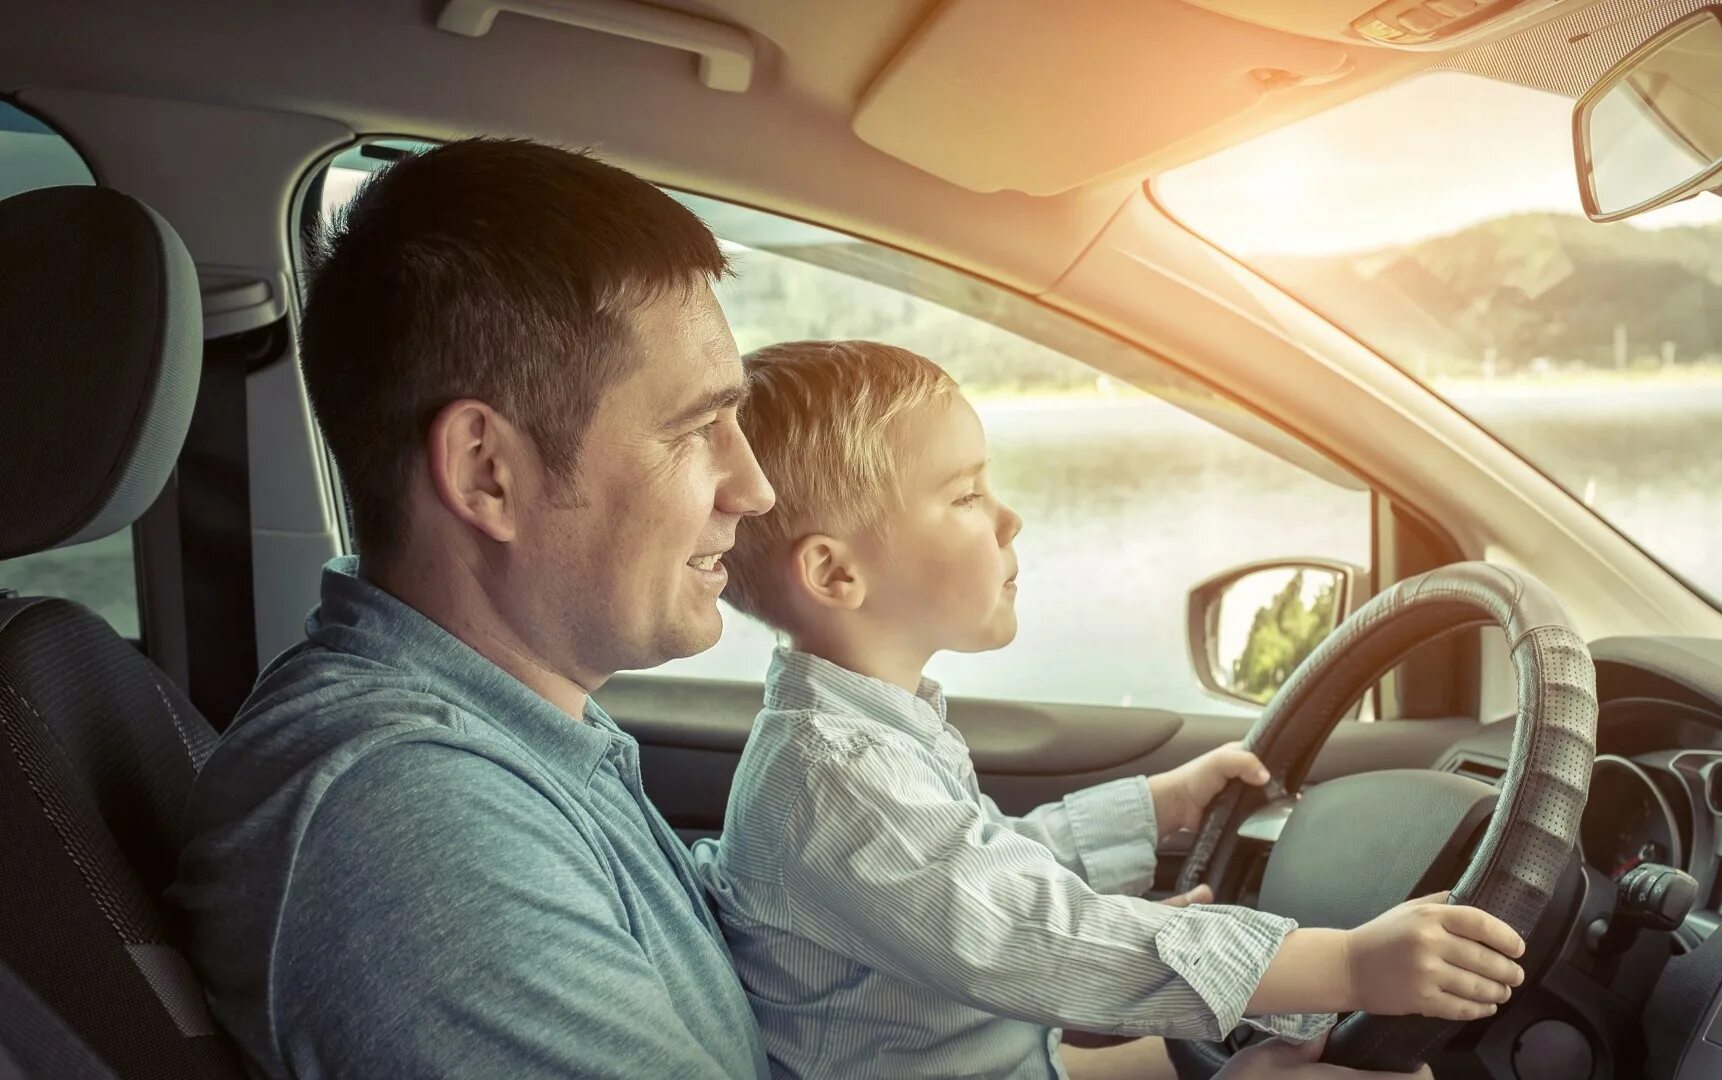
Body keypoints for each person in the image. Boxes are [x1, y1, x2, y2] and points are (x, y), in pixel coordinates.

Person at [165, 137, 1440, 1080]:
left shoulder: (519, 740)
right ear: (487, 472)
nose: (753, 486)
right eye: (695, 431)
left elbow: (791, 921)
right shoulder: (414, 831)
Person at [693, 340, 1528, 1079]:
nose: (1010, 517)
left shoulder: (874, 733)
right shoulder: (836, 778)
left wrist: (1156, 808)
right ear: (838, 576)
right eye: (965, 496)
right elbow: (1027, 938)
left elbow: (988, 866)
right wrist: (1343, 966)